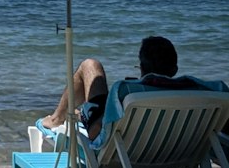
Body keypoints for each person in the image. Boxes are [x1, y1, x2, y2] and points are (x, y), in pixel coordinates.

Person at [40, 35, 186, 143]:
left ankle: (57, 118)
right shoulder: (197, 93)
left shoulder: (129, 92)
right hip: (170, 154)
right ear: (175, 70)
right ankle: (77, 114)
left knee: (90, 65)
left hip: (120, 155)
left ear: (142, 68)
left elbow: (95, 132)